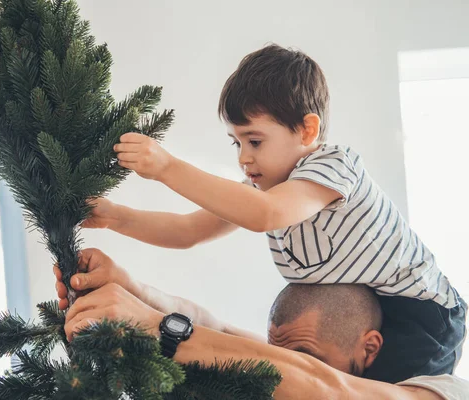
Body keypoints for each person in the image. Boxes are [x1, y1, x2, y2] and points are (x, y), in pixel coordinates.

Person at [84, 43, 466, 383]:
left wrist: (168, 167)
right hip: (374, 312)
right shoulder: (262, 192)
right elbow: (188, 231)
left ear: (307, 131)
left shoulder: (332, 167)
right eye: (236, 142)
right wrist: (115, 217)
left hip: (423, 317)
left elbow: (264, 215)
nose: (243, 157)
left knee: (340, 390)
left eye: (255, 140)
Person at [54, 248, 469, 399]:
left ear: (369, 348)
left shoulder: (444, 392)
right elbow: (219, 329)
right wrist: (132, 289)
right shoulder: (300, 361)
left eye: (307, 357)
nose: (281, 373)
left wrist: (155, 327)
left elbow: (327, 388)